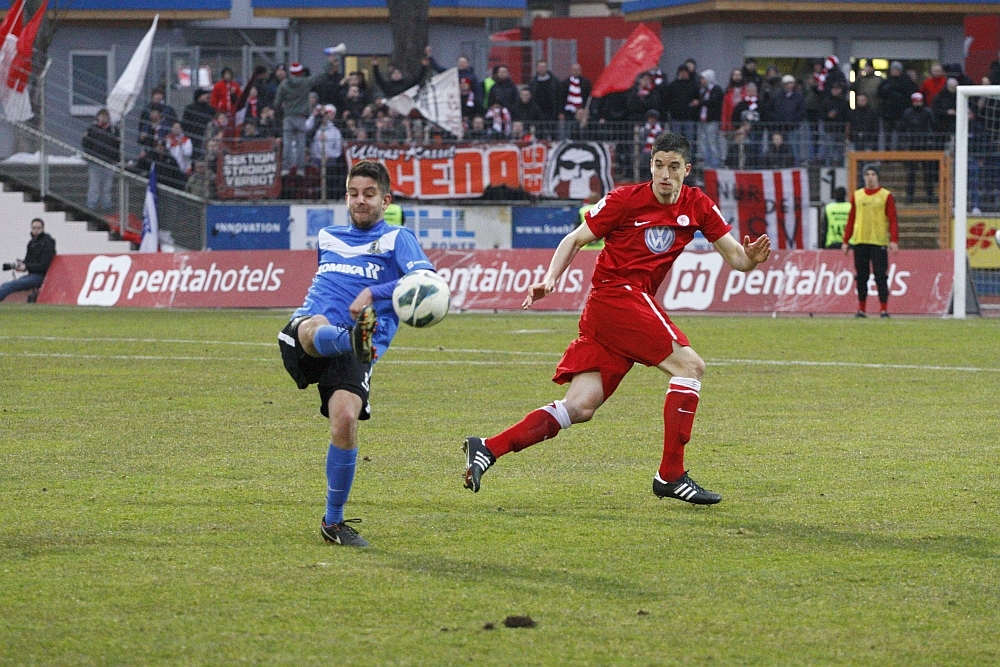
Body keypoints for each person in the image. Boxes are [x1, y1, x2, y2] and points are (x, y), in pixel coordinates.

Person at [461, 132, 772, 504]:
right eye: (659, 165)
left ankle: (487, 448)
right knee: (690, 368)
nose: (665, 175)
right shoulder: (625, 199)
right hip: (615, 295)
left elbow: (737, 259)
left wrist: (752, 258)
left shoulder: (698, 205)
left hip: (615, 311)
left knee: (580, 407)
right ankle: (670, 475)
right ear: (651, 166)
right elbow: (574, 240)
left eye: (674, 167)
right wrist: (549, 279)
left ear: (686, 171)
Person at [277, 160, 437, 547]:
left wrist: (373, 293)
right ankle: (347, 339)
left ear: (386, 199)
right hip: (316, 333)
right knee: (312, 324)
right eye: (353, 194)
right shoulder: (328, 236)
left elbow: (426, 280)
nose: (359, 201)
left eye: (368, 194)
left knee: (346, 420)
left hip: (362, 342)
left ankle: (333, 522)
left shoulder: (398, 238)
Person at [842, 164, 898, 318]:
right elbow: (851, 218)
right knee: (861, 277)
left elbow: (892, 219)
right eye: (867, 174)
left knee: (880, 276)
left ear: (878, 177)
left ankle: (884, 309)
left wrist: (894, 240)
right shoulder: (858, 196)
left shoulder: (885, 196)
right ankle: (861, 309)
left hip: (878, 241)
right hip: (860, 241)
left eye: (873, 174)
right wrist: (846, 240)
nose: (870, 177)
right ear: (863, 177)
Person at [274, 62, 322, 173]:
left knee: (287, 143)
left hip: (288, 117)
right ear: (301, 72)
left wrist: (281, 115)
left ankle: (286, 168)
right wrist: (329, 63)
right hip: (301, 117)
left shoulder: (284, 84)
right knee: (301, 143)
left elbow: (277, 103)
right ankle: (300, 169)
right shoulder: (305, 82)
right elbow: (319, 77)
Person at [0, 218, 56, 302]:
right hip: (32, 275)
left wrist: (26, 266)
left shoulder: (47, 243)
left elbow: (44, 266)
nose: (36, 230)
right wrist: (20, 265)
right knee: (6, 285)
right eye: (34, 228)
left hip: (41, 275)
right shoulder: (31, 243)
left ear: (43, 229)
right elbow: (28, 261)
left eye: (38, 228)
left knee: (12, 285)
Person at [81, 108, 120, 212]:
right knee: (94, 186)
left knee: (107, 186)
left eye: (105, 116)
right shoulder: (92, 129)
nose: (103, 118)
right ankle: (91, 205)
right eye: (101, 116)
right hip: (95, 163)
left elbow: (118, 146)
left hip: (109, 162)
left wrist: (116, 159)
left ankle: (107, 206)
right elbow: (85, 143)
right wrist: (90, 157)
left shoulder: (114, 130)